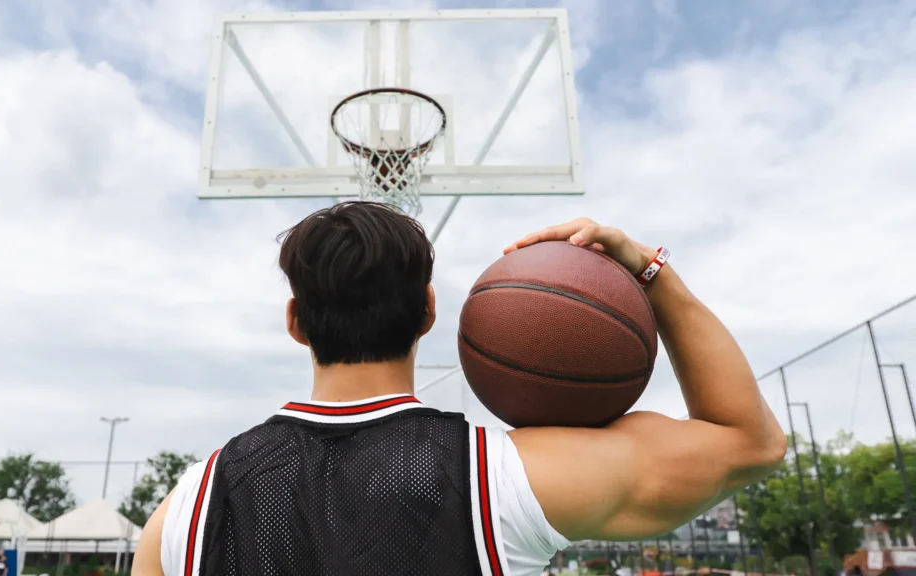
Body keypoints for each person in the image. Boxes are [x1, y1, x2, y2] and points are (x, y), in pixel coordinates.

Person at [131, 202, 787, 576]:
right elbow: (750, 442)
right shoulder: (502, 479)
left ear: (295, 323)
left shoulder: (184, 512)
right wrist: (649, 271)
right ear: (429, 312)